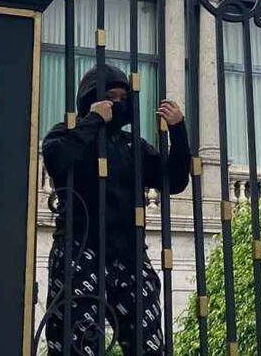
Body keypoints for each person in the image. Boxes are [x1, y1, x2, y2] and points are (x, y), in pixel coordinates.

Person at [42, 64, 191, 356]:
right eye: (110, 96)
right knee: (78, 344)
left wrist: (178, 130)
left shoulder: (133, 146)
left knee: (148, 343)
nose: (118, 103)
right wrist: (94, 120)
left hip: (129, 253)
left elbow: (173, 181)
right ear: (90, 99)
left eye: (124, 98)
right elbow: (56, 160)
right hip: (80, 248)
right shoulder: (66, 134)